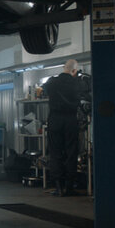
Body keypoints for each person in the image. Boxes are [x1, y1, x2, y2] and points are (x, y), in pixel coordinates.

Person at [43, 59, 81, 196]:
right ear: (74, 71)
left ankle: (58, 187)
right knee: (71, 152)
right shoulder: (77, 82)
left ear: (64, 67)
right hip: (71, 119)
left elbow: (43, 89)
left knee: (55, 152)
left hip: (55, 120)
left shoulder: (52, 81)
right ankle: (70, 187)